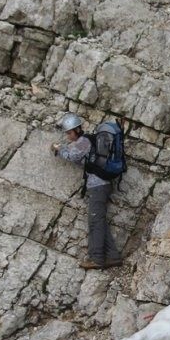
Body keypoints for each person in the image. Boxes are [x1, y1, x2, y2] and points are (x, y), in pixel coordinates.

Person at [52, 113, 123, 270]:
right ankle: (113, 257)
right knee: (100, 220)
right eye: (67, 133)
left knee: (95, 221)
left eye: (69, 132)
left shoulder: (83, 141)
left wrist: (59, 149)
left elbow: (72, 156)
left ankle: (97, 259)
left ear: (77, 130)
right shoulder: (89, 141)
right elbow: (83, 161)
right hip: (101, 185)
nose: (68, 135)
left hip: (98, 186)